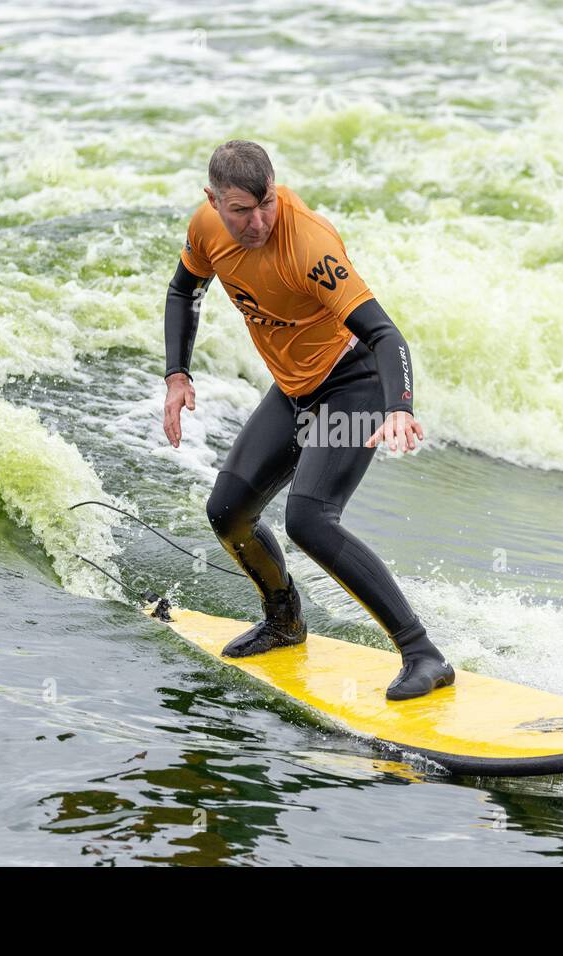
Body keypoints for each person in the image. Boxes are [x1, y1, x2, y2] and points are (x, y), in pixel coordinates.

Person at [161, 139, 454, 701]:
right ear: (213, 200)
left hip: (353, 385)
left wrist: (399, 409)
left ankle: (423, 654)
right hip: (296, 390)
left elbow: (385, 334)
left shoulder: (308, 246)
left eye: (266, 202)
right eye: (241, 210)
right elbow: (184, 291)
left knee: (310, 519)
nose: (258, 221)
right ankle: (284, 621)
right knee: (227, 512)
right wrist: (177, 375)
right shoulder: (206, 229)